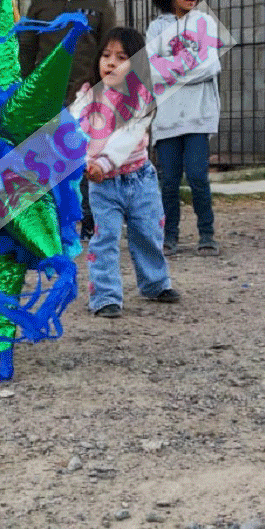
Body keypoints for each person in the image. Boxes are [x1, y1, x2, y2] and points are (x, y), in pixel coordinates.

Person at [70, 27, 178, 318]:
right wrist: (82, 161)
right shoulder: (87, 97)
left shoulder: (142, 99)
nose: (111, 62)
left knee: (148, 232)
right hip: (102, 184)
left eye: (121, 57)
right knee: (103, 239)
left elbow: (126, 139)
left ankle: (155, 283)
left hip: (139, 178)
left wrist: (102, 163)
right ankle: (105, 297)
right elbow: (71, 132)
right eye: (106, 56)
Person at [19, 0, 116, 239]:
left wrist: (101, 97)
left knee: (85, 164)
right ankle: (50, 227)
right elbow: (26, 51)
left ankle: (90, 224)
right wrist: (26, 93)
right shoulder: (40, 5)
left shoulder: (100, 6)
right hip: (46, 101)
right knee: (46, 165)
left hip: (86, 101)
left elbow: (108, 51)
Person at [147, 0, 221, 254]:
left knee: (198, 176)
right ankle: (170, 236)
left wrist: (171, 70)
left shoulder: (205, 23)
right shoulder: (156, 28)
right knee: (168, 181)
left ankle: (207, 234)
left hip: (199, 115)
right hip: (166, 118)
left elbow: (210, 66)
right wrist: (187, 66)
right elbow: (150, 71)